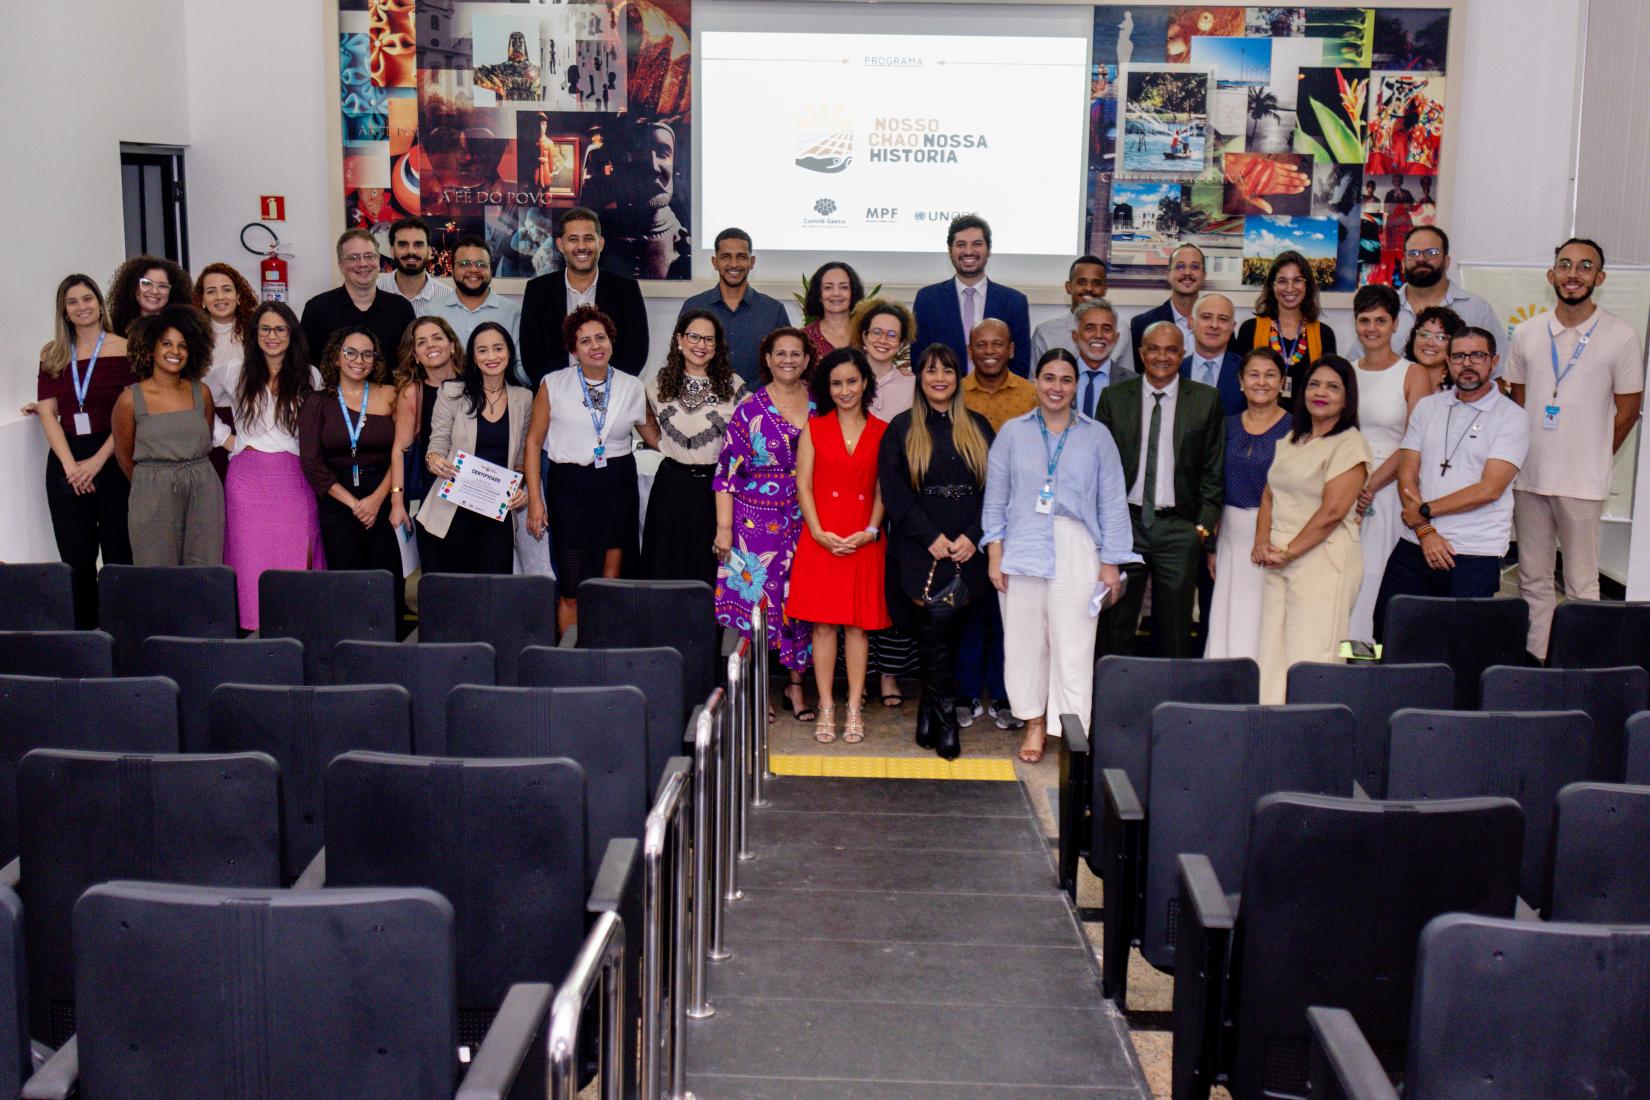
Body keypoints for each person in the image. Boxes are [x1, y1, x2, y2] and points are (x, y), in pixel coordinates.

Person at [983, 349, 1139, 763]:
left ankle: (1072, 731)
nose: (1056, 387)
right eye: (1049, 378)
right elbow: (996, 497)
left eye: (1065, 379)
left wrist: (1111, 562)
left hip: (1077, 547)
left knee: (1074, 645)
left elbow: (1112, 501)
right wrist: (994, 553)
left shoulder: (1096, 435)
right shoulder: (1013, 433)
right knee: (1024, 643)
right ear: (1036, 382)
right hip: (1022, 544)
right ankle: (1034, 724)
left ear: (1076, 386)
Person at [1506, 238, 1645, 660]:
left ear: (1599, 278)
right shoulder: (1529, 332)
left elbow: (1628, 409)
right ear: (1551, 275)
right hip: (1530, 477)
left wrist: (1597, 453)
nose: (1573, 274)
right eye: (1565, 265)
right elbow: (1517, 402)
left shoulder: (1621, 336)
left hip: (1583, 482)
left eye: (1585, 267)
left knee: (1583, 584)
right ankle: (1535, 664)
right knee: (1533, 580)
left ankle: (1583, 669)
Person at [1373, 327, 1529, 639]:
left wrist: (1424, 512)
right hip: (1414, 544)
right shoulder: (1429, 407)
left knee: (1458, 650)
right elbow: (1407, 471)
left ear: (1493, 361)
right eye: (1458, 356)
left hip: (1473, 552)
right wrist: (1425, 530)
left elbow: (1489, 489)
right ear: (1448, 361)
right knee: (1387, 634)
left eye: (1477, 355)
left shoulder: (1512, 417)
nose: (1467, 363)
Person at [878, 344, 995, 759]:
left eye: (947, 370)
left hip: (968, 550)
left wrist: (973, 535)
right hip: (919, 549)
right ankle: (945, 720)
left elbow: (995, 491)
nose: (939, 378)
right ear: (919, 378)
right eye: (931, 371)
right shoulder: (902, 427)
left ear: (958, 377)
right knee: (933, 632)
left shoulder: (978, 426)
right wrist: (930, 537)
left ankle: (929, 713)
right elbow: (894, 493)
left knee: (951, 633)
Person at [524, 305, 660, 633]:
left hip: (617, 486)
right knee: (573, 585)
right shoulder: (553, 384)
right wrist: (534, 500)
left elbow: (656, 438)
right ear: (573, 349)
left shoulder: (631, 386)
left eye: (600, 337)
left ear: (611, 341)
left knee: (611, 578)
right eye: (584, 341)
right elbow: (532, 444)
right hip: (569, 488)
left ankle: (605, 649)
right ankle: (572, 658)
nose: (595, 346)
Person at [1096, 322, 1225, 658]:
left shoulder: (1206, 400)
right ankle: (1115, 697)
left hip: (1179, 529)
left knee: (1175, 628)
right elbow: (1100, 470)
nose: (1162, 357)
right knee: (1116, 624)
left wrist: (1200, 529)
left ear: (1183, 354)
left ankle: (1173, 702)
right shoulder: (1114, 398)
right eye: (1154, 348)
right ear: (1141, 353)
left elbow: (1213, 472)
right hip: (1126, 526)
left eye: (1171, 350)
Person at [787, 348, 890, 744]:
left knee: (859, 628)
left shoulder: (883, 430)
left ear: (865, 383)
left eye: (851, 381)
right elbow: (803, 484)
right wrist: (816, 531)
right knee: (824, 625)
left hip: (863, 538)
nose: (845, 390)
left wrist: (871, 529)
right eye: (836, 383)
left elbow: (883, 488)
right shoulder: (814, 428)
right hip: (822, 539)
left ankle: (853, 707)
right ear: (826, 389)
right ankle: (827, 705)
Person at [1253, 357, 1371, 702]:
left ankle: (1308, 740)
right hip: (1278, 561)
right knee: (1272, 655)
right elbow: (1270, 492)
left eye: (1333, 387)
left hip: (1323, 563)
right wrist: (1262, 542)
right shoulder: (1293, 438)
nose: (1321, 393)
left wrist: (1289, 552)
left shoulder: (1350, 443)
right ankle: (1270, 730)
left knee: (1312, 656)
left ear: (1347, 399)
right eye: (1315, 384)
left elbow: (1332, 512)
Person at [714, 328, 818, 720]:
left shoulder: (820, 406)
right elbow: (726, 473)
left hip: (805, 519)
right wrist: (725, 531)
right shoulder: (749, 409)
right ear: (768, 360)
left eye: (796, 354)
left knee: (801, 602)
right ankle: (756, 691)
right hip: (751, 524)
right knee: (752, 606)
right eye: (781, 354)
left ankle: (795, 686)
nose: (788, 360)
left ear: (808, 360)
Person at [34, 275, 133, 627]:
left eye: (87, 298)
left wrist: (94, 463)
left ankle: (123, 632)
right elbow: (47, 412)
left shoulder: (125, 348)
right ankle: (87, 635)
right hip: (66, 458)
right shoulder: (53, 354)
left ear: (100, 303)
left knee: (119, 551)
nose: (81, 307)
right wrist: (70, 466)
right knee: (76, 556)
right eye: (72, 301)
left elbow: (129, 413)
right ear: (64, 310)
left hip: (112, 455)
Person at [222, 302, 324, 629]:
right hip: (247, 481)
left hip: (295, 477)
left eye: (280, 329)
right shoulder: (234, 371)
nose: (272, 336)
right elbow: (196, 401)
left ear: (292, 334)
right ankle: (249, 625)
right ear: (254, 334)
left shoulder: (311, 374)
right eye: (265, 329)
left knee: (296, 552)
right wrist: (229, 440)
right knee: (248, 556)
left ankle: (297, 625)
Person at [956, 318, 1037, 729]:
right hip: (966, 519)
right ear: (971, 351)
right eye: (981, 344)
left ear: (1011, 349)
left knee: (1011, 613)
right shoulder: (956, 393)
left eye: (998, 344)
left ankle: (1008, 696)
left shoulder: (1031, 395)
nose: (989, 351)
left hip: (1019, 520)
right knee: (969, 609)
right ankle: (968, 693)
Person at [299, 326, 408, 628]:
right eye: (350, 352)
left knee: (386, 579)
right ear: (336, 356)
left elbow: (400, 451)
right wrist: (353, 503)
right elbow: (311, 462)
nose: (358, 360)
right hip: (338, 501)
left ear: (375, 360)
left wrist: (375, 500)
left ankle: (391, 647)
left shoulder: (390, 395)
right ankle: (351, 646)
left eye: (367, 353)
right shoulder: (317, 402)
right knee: (346, 580)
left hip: (383, 498)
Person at [1346, 283, 1436, 642]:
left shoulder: (1413, 374)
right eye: (1364, 320)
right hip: (1347, 487)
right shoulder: (1347, 371)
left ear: (1395, 324)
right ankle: (1342, 659)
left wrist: (1372, 485)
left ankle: (1368, 661)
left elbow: (1414, 443)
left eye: (1380, 320)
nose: (1372, 328)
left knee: (1375, 579)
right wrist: (1351, 484)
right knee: (1348, 576)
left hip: (1389, 491)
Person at [111, 306, 225, 567]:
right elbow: (124, 457)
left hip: (203, 490)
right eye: (167, 344)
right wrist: (155, 481)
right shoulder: (130, 399)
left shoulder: (202, 393)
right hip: (153, 494)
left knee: (205, 569)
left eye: (182, 345)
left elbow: (204, 439)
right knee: (156, 571)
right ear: (150, 348)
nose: (175, 352)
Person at [416, 322, 532, 574]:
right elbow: (436, 445)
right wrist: (434, 460)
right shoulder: (453, 392)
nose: (491, 356)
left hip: (497, 510)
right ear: (473, 356)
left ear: (509, 353)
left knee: (494, 588)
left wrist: (521, 489)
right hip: (454, 510)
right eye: (482, 350)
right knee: (458, 591)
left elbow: (522, 458)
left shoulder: (523, 398)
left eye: (498, 348)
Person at [642, 310, 746, 583]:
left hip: (714, 490)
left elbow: (747, 437)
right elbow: (643, 415)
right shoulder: (660, 383)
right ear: (679, 339)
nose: (701, 345)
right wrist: (662, 445)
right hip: (671, 484)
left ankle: (706, 627)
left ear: (717, 345)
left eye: (709, 340)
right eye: (694, 337)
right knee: (666, 565)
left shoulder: (734, 386)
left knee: (707, 568)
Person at [1204, 348, 1291, 659]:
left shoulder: (1296, 430)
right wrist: (1211, 544)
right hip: (1230, 533)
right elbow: (1213, 484)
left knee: (1264, 617)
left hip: (1275, 537)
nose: (1261, 382)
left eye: (1270, 375)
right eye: (1254, 374)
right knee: (1230, 615)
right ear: (1240, 382)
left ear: (1282, 381)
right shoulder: (1225, 426)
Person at [852, 298, 919, 703]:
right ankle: (855, 674)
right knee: (855, 592)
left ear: (902, 342)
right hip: (847, 502)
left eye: (891, 334)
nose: (882, 339)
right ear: (863, 335)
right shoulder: (843, 378)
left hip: (895, 506)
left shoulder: (913, 387)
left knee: (891, 589)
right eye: (876, 331)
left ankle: (890, 674)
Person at [519, 207, 649, 384]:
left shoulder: (626, 290)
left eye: (588, 239)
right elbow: (531, 356)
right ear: (560, 245)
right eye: (573, 239)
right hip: (554, 400)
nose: (581, 246)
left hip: (612, 398)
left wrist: (602, 387)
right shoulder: (538, 291)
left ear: (600, 243)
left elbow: (636, 352)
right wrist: (562, 391)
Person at [913, 215, 1032, 376]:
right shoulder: (927, 300)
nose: (968, 251)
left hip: (998, 398)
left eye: (977, 244)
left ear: (989, 250)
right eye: (961, 244)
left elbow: (1020, 364)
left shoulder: (1014, 302)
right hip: (942, 397)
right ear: (950, 251)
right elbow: (919, 360)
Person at [390, 316, 464, 570]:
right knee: (438, 584)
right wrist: (397, 503)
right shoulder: (413, 393)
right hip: (434, 501)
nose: (431, 345)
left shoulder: (476, 383)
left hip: (476, 498)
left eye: (437, 338)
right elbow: (400, 450)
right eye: (421, 342)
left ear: (452, 344)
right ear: (416, 355)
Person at [679, 228, 791, 387]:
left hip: (760, 403)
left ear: (752, 262)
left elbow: (784, 362)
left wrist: (749, 396)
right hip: (704, 405)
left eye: (741, 257)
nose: (734, 264)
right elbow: (681, 358)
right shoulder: (693, 307)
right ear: (715, 262)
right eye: (726, 257)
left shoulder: (774, 311)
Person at [300, 228, 416, 372]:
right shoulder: (317, 310)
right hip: (330, 394)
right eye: (353, 258)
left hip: (391, 394)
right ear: (341, 265)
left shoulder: (401, 309)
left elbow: (411, 366)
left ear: (378, 260)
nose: (363, 263)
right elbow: (304, 367)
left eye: (369, 256)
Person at [1236, 250, 1338, 401]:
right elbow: (1240, 385)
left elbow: (1329, 389)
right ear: (1272, 286)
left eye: (1297, 280)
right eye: (1282, 281)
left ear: (1307, 285)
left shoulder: (1324, 334)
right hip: (1261, 420)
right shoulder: (1250, 329)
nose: (1290, 288)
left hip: (1307, 423)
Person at [1390, 226, 1501, 355]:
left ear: (1446, 261)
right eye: (1413, 253)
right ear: (1403, 263)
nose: (1420, 259)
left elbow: (1499, 368)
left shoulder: (1476, 308)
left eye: (1431, 253)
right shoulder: (1386, 308)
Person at [194, 263, 260, 473]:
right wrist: (224, 438)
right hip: (208, 425)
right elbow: (190, 395)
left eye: (227, 289)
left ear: (239, 296)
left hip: (255, 425)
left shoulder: (258, 334)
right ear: (202, 300)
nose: (220, 297)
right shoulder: (192, 338)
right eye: (211, 292)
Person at [426, 236, 522, 363]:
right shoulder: (431, 312)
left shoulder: (512, 313)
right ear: (452, 268)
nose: (473, 269)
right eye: (464, 264)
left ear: (491, 270)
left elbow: (520, 365)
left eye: (481, 264)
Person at [1031, 256, 1134, 372]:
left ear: (1105, 289)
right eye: (1081, 282)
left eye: (1096, 283)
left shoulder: (1121, 330)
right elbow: (1034, 383)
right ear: (1069, 287)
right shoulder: (1045, 332)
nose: (1089, 288)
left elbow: (1127, 380)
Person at [1130, 243, 1214, 374]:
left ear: (1204, 275)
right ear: (1168, 274)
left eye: (1195, 267)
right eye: (1180, 267)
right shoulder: (1142, 324)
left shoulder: (1219, 326)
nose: (1187, 272)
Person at [1179, 293, 1245, 415]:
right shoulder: (1175, 370)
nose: (1214, 325)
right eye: (1206, 317)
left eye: (1223, 319)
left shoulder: (1246, 371)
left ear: (1232, 327)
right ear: (1191, 323)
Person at [1070, 300, 1136, 420]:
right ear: (1075, 336)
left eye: (1106, 329)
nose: (1099, 335)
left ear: (1116, 338)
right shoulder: (1056, 379)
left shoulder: (1135, 383)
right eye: (1090, 328)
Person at [378, 216, 456, 314]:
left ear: (429, 251)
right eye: (403, 244)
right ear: (392, 251)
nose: (411, 251)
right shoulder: (375, 291)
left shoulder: (448, 298)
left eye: (418, 245)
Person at [107, 255, 192, 336]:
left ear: (172, 292)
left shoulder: (184, 330)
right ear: (134, 288)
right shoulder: (113, 329)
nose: (155, 291)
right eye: (146, 283)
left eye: (162, 286)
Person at [801, 261, 864, 360]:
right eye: (828, 287)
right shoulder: (804, 338)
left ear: (853, 293)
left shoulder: (866, 334)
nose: (836, 293)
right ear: (819, 294)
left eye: (844, 287)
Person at [1403, 304, 1464, 393]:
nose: (1430, 343)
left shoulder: (1461, 387)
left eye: (1441, 337)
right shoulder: (1396, 377)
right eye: (1425, 335)